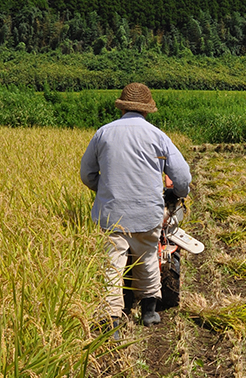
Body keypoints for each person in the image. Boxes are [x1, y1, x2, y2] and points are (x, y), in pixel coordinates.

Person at [80, 83, 192, 333]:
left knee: (111, 267)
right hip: (147, 214)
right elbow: (182, 176)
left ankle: (113, 322)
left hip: (112, 216)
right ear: (147, 111)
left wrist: (107, 190)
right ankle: (149, 313)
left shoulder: (103, 133)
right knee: (149, 259)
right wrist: (178, 193)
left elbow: (87, 175)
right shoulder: (158, 136)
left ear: (122, 107)